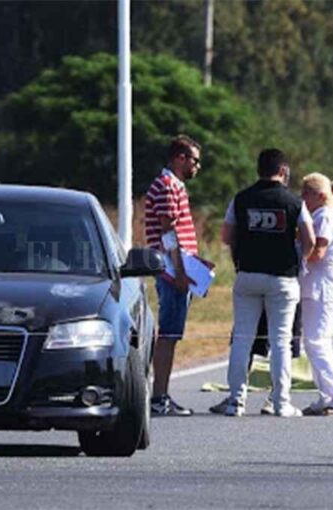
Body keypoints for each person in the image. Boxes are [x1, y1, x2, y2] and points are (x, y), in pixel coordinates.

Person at [221, 148, 314, 417]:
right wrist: (299, 261)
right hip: (282, 279)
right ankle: (281, 402)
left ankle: (235, 401)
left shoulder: (241, 199)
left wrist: (240, 255)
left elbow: (227, 235)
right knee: (281, 341)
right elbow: (309, 239)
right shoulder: (294, 203)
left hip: (247, 275)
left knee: (242, 339)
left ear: (258, 169)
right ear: (283, 171)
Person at [145, 134, 201, 416]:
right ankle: (159, 397)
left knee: (172, 333)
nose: (197, 166)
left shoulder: (173, 186)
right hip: (171, 270)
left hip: (180, 267)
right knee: (168, 333)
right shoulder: (167, 186)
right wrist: (179, 271)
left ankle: (162, 394)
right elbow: (168, 232)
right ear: (180, 158)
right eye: (194, 160)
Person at [298, 172, 333, 416]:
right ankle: (326, 395)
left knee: (318, 343)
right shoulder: (315, 215)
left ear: (320, 196)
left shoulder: (325, 216)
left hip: (324, 289)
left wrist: (292, 261)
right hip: (313, 288)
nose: (302, 198)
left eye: (306, 193)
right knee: (313, 344)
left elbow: (318, 252)